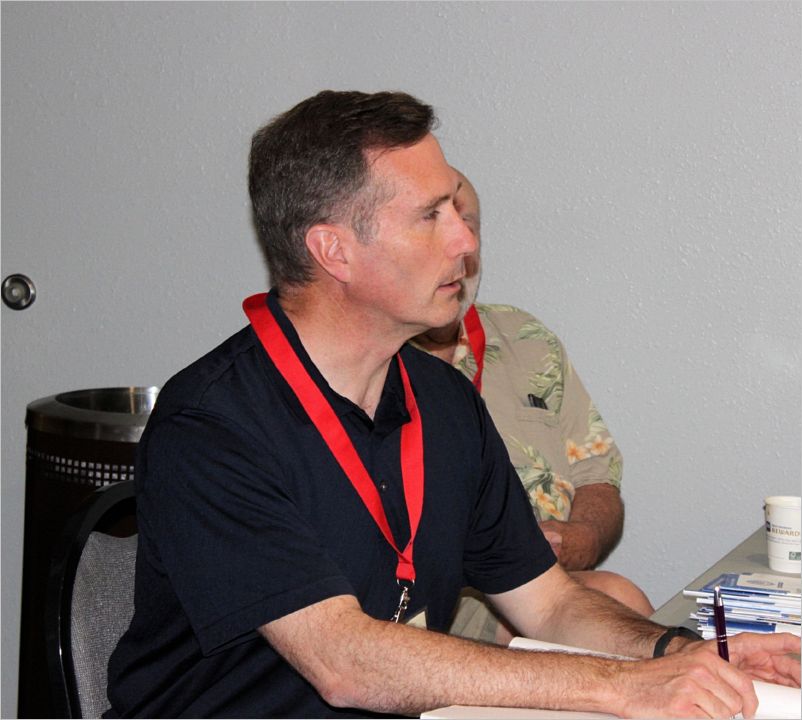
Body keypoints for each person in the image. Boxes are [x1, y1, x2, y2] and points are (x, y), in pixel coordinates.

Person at [106, 90, 799, 719]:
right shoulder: (214, 427)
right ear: (333, 251)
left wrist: (680, 652)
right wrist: (620, 686)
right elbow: (346, 664)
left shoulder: (441, 401)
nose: (466, 242)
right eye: (430, 217)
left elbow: (550, 603)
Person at [411, 174, 653, 645]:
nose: (460, 241)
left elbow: (597, 476)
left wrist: (581, 536)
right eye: (435, 222)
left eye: (468, 223)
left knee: (626, 612)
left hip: (551, 589)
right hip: (444, 608)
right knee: (617, 603)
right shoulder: (374, 362)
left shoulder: (526, 336)